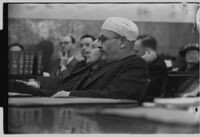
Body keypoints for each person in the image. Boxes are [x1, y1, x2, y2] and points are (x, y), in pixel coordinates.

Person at [9, 17, 149, 101]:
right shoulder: (103, 63)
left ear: (123, 42)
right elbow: (64, 84)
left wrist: (69, 94)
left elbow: (114, 95)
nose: (98, 44)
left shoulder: (135, 65)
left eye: (103, 39)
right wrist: (34, 83)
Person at [134, 35, 168, 99]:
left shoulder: (158, 67)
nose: (133, 54)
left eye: (136, 51)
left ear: (148, 52)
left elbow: (140, 89)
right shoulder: (138, 62)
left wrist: (142, 64)